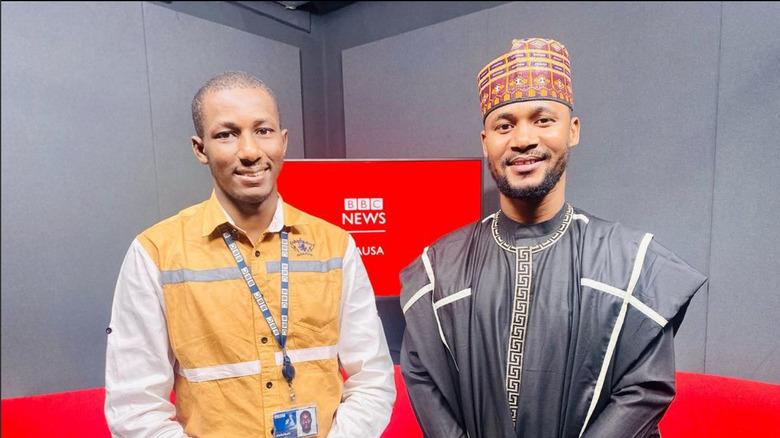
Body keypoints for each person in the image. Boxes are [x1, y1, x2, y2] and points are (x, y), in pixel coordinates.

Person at [399, 38, 707, 438]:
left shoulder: (630, 264)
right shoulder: (440, 270)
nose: (523, 139)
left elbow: (644, 390)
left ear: (573, 130)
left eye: (543, 120)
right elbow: (425, 382)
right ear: (485, 142)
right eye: (504, 125)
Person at [105, 71, 395, 437]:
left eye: (263, 131)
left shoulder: (335, 245)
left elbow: (373, 379)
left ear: (283, 141)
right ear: (200, 149)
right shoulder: (156, 253)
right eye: (226, 134)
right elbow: (135, 409)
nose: (250, 152)